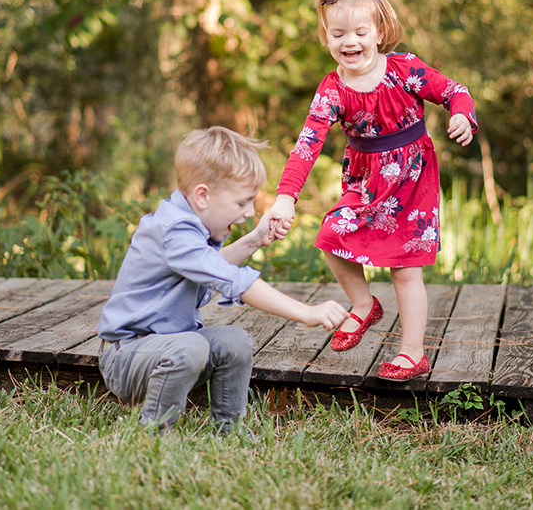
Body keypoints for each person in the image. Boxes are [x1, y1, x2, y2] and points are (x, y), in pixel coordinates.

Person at [268, 0, 477, 382]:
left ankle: (412, 353)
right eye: (338, 33)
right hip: (365, 182)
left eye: (360, 32)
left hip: (412, 179)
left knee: (405, 268)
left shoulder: (404, 70)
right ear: (326, 36)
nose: (350, 42)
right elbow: (307, 145)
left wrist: (460, 114)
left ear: (379, 31)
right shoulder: (332, 90)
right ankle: (363, 305)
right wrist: (285, 197)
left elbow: (455, 90)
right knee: (332, 234)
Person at [96, 126, 348, 435]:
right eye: (242, 203)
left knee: (235, 341)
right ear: (203, 195)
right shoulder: (174, 231)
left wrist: (254, 240)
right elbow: (233, 280)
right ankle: (154, 434)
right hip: (126, 358)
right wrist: (306, 312)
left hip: (169, 349)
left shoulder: (189, 227)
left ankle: (229, 429)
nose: (247, 213)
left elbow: (211, 265)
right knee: (190, 346)